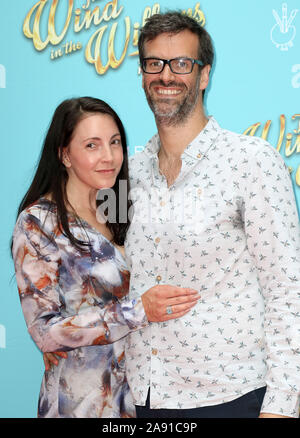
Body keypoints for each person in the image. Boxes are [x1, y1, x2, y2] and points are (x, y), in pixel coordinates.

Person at [123, 12, 300, 418]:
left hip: (231, 398)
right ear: (143, 73)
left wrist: (282, 407)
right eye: (155, 63)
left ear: (204, 76)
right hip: (143, 398)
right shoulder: (127, 175)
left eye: (182, 64)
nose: (166, 76)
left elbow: (287, 293)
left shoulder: (251, 162)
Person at [12, 96, 200, 418]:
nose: (109, 157)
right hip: (82, 403)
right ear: (64, 154)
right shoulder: (39, 223)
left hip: (145, 396)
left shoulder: (124, 207)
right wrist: (137, 311)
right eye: (92, 146)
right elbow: (45, 331)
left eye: (115, 142)